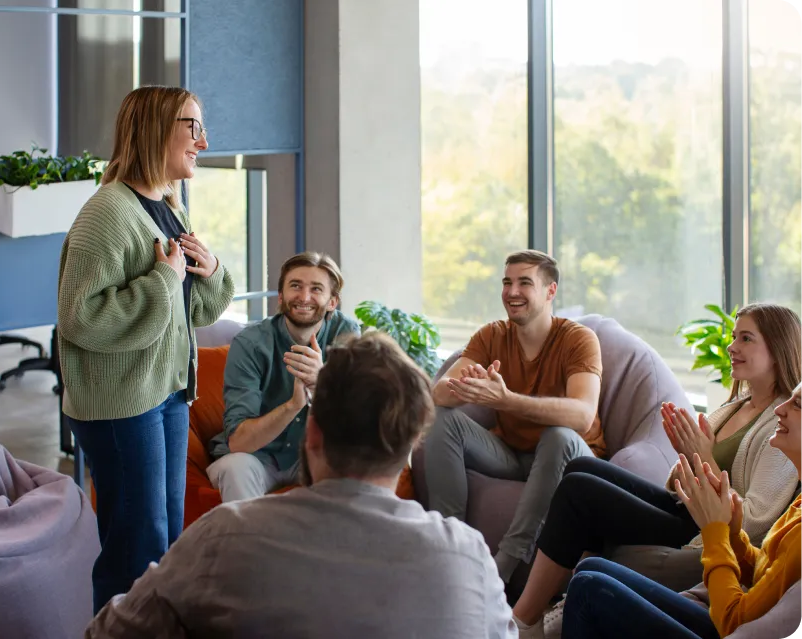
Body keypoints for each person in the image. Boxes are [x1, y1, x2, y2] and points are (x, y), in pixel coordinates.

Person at [84, 332, 518, 639]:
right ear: (410, 449)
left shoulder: (224, 536)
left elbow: (109, 630)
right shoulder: (469, 557)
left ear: (312, 434)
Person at [511, 303, 802, 638]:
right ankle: (552, 605)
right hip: (688, 507)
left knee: (581, 494)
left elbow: (752, 523)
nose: (732, 347)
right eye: (735, 337)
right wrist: (690, 460)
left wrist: (704, 460)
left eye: (746, 339)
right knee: (582, 468)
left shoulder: (782, 430)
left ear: (778, 350)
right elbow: (680, 484)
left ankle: (524, 618)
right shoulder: (735, 406)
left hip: (703, 526)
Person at [57, 86, 235, 613]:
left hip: (165, 394)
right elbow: (79, 318)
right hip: (121, 405)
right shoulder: (107, 213)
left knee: (164, 537)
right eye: (192, 127)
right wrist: (163, 279)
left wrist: (211, 271)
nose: (203, 141)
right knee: (136, 543)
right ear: (158, 128)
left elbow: (191, 314)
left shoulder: (166, 208)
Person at [561, 375, 802, 639]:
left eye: (798, 405)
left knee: (588, 588)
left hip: (726, 625)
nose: (782, 409)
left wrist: (716, 533)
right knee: (590, 568)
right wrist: (734, 536)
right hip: (719, 589)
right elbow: (764, 572)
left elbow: (734, 622)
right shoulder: (799, 504)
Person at [422, 250, 605, 595]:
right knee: (442, 420)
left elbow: (582, 416)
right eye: (507, 282)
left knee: (558, 437)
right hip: (512, 454)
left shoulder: (578, 339)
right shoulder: (491, 335)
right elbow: (438, 394)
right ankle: (449, 547)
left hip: (573, 460)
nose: (512, 292)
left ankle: (501, 570)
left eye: (524, 283)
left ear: (550, 291)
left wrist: (506, 401)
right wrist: (468, 387)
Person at [206, 251, 359, 502]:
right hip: (257, 456)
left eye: (316, 289)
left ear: (332, 301)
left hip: (314, 455)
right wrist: (293, 405)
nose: (304, 297)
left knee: (352, 470)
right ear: (281, 296)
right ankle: (250, 542)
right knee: (235, 469)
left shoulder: (346, 335)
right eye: (295, 286)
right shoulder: (251, 343)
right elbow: (239, 444)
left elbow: (358, 423)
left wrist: (324, 383)